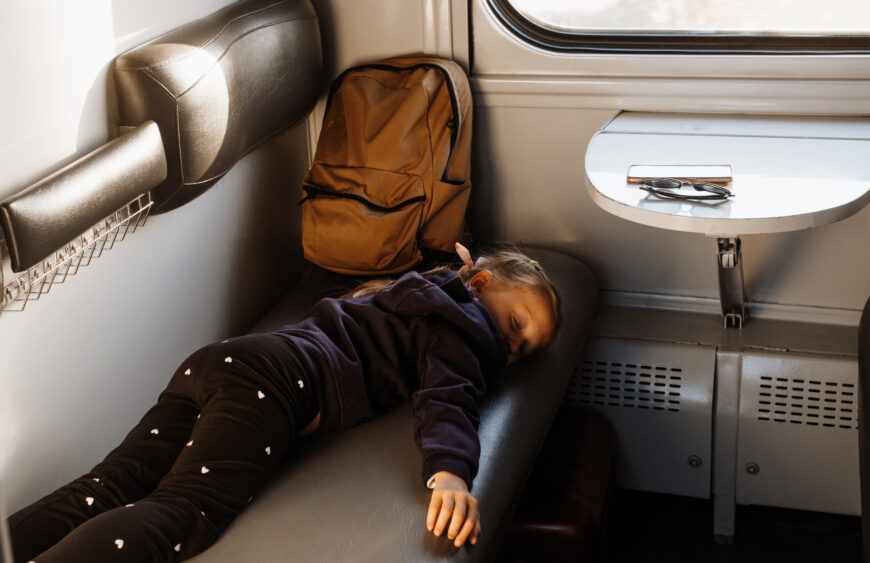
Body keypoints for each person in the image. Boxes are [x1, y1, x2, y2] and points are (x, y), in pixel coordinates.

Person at [8, 244, 561, 562]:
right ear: (479, 284)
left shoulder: (417, 291)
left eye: (524, 350)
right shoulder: (463, 330)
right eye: (516, 324)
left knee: (111, 484)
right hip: (276, 385)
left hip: (229, 357)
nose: (509, 346)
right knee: (187, 510)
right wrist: (451, 475)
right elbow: (448, 400)